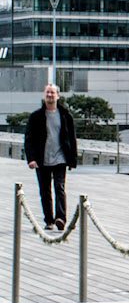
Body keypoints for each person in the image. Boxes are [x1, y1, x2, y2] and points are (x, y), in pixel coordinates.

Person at [24, 83, 79, 232]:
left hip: (60, 158)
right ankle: (49, 220)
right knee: (45, 190)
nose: (50, 96)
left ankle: (61, 218)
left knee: (59, 187)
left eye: (52, 93)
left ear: (58, 96)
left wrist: (72, 160)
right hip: (42, 159)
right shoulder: (36, 117)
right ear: (44, 95)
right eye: (47, 93)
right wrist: (31, 159)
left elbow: (71, 139)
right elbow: (29, 139)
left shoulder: (66, 116)